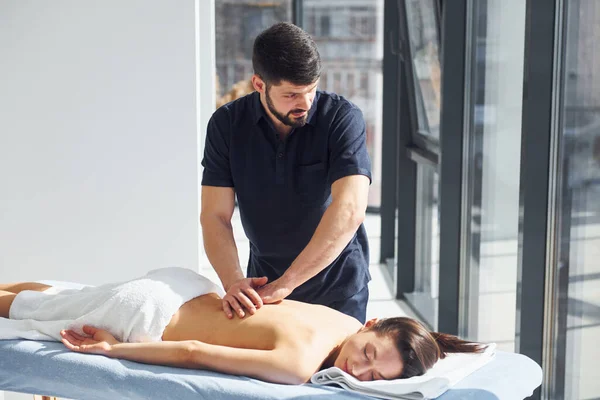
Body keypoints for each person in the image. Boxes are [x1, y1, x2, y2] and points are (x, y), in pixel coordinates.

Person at [0, 268, 484, 385]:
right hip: (146, 317)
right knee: (28, 314)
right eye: (370, 355)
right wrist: (110, 352)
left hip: (185, 284)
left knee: (53, 298)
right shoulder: (297, 366)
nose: (358, 372)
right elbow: (192, 352)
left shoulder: (344, 319)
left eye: (375, 378)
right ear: (373, 325)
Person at [201, 21, 373, 324]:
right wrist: (233, 282)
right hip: (263, 288)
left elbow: (349, 210)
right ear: (258, 84)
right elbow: (215, 215)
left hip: (337, 289)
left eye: (311, 90)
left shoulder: (342, 119)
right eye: (291, 95)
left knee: (336, 372)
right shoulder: (226, 125)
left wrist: (287, 283)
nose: (304, 104)